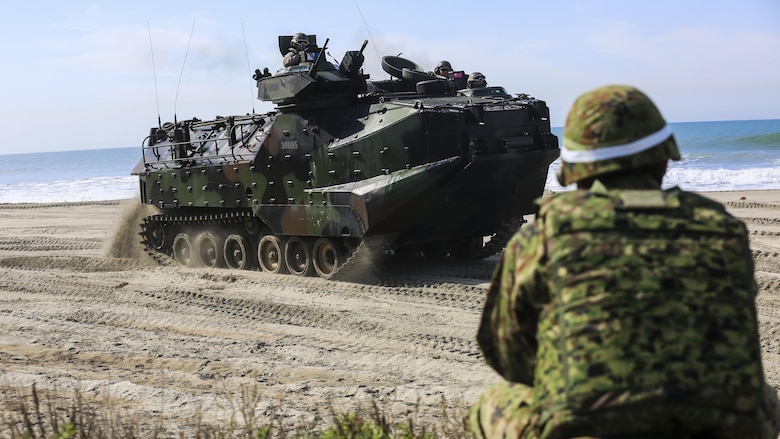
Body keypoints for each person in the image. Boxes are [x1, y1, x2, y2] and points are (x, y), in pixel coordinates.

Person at [468, 84, 780, 439]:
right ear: (664, 159)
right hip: (724, 430)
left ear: (576, 171)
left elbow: (506, 351)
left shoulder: (546, 236)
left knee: (493, 404)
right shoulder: (722, 230)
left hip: (591, 430)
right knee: (764, 399)